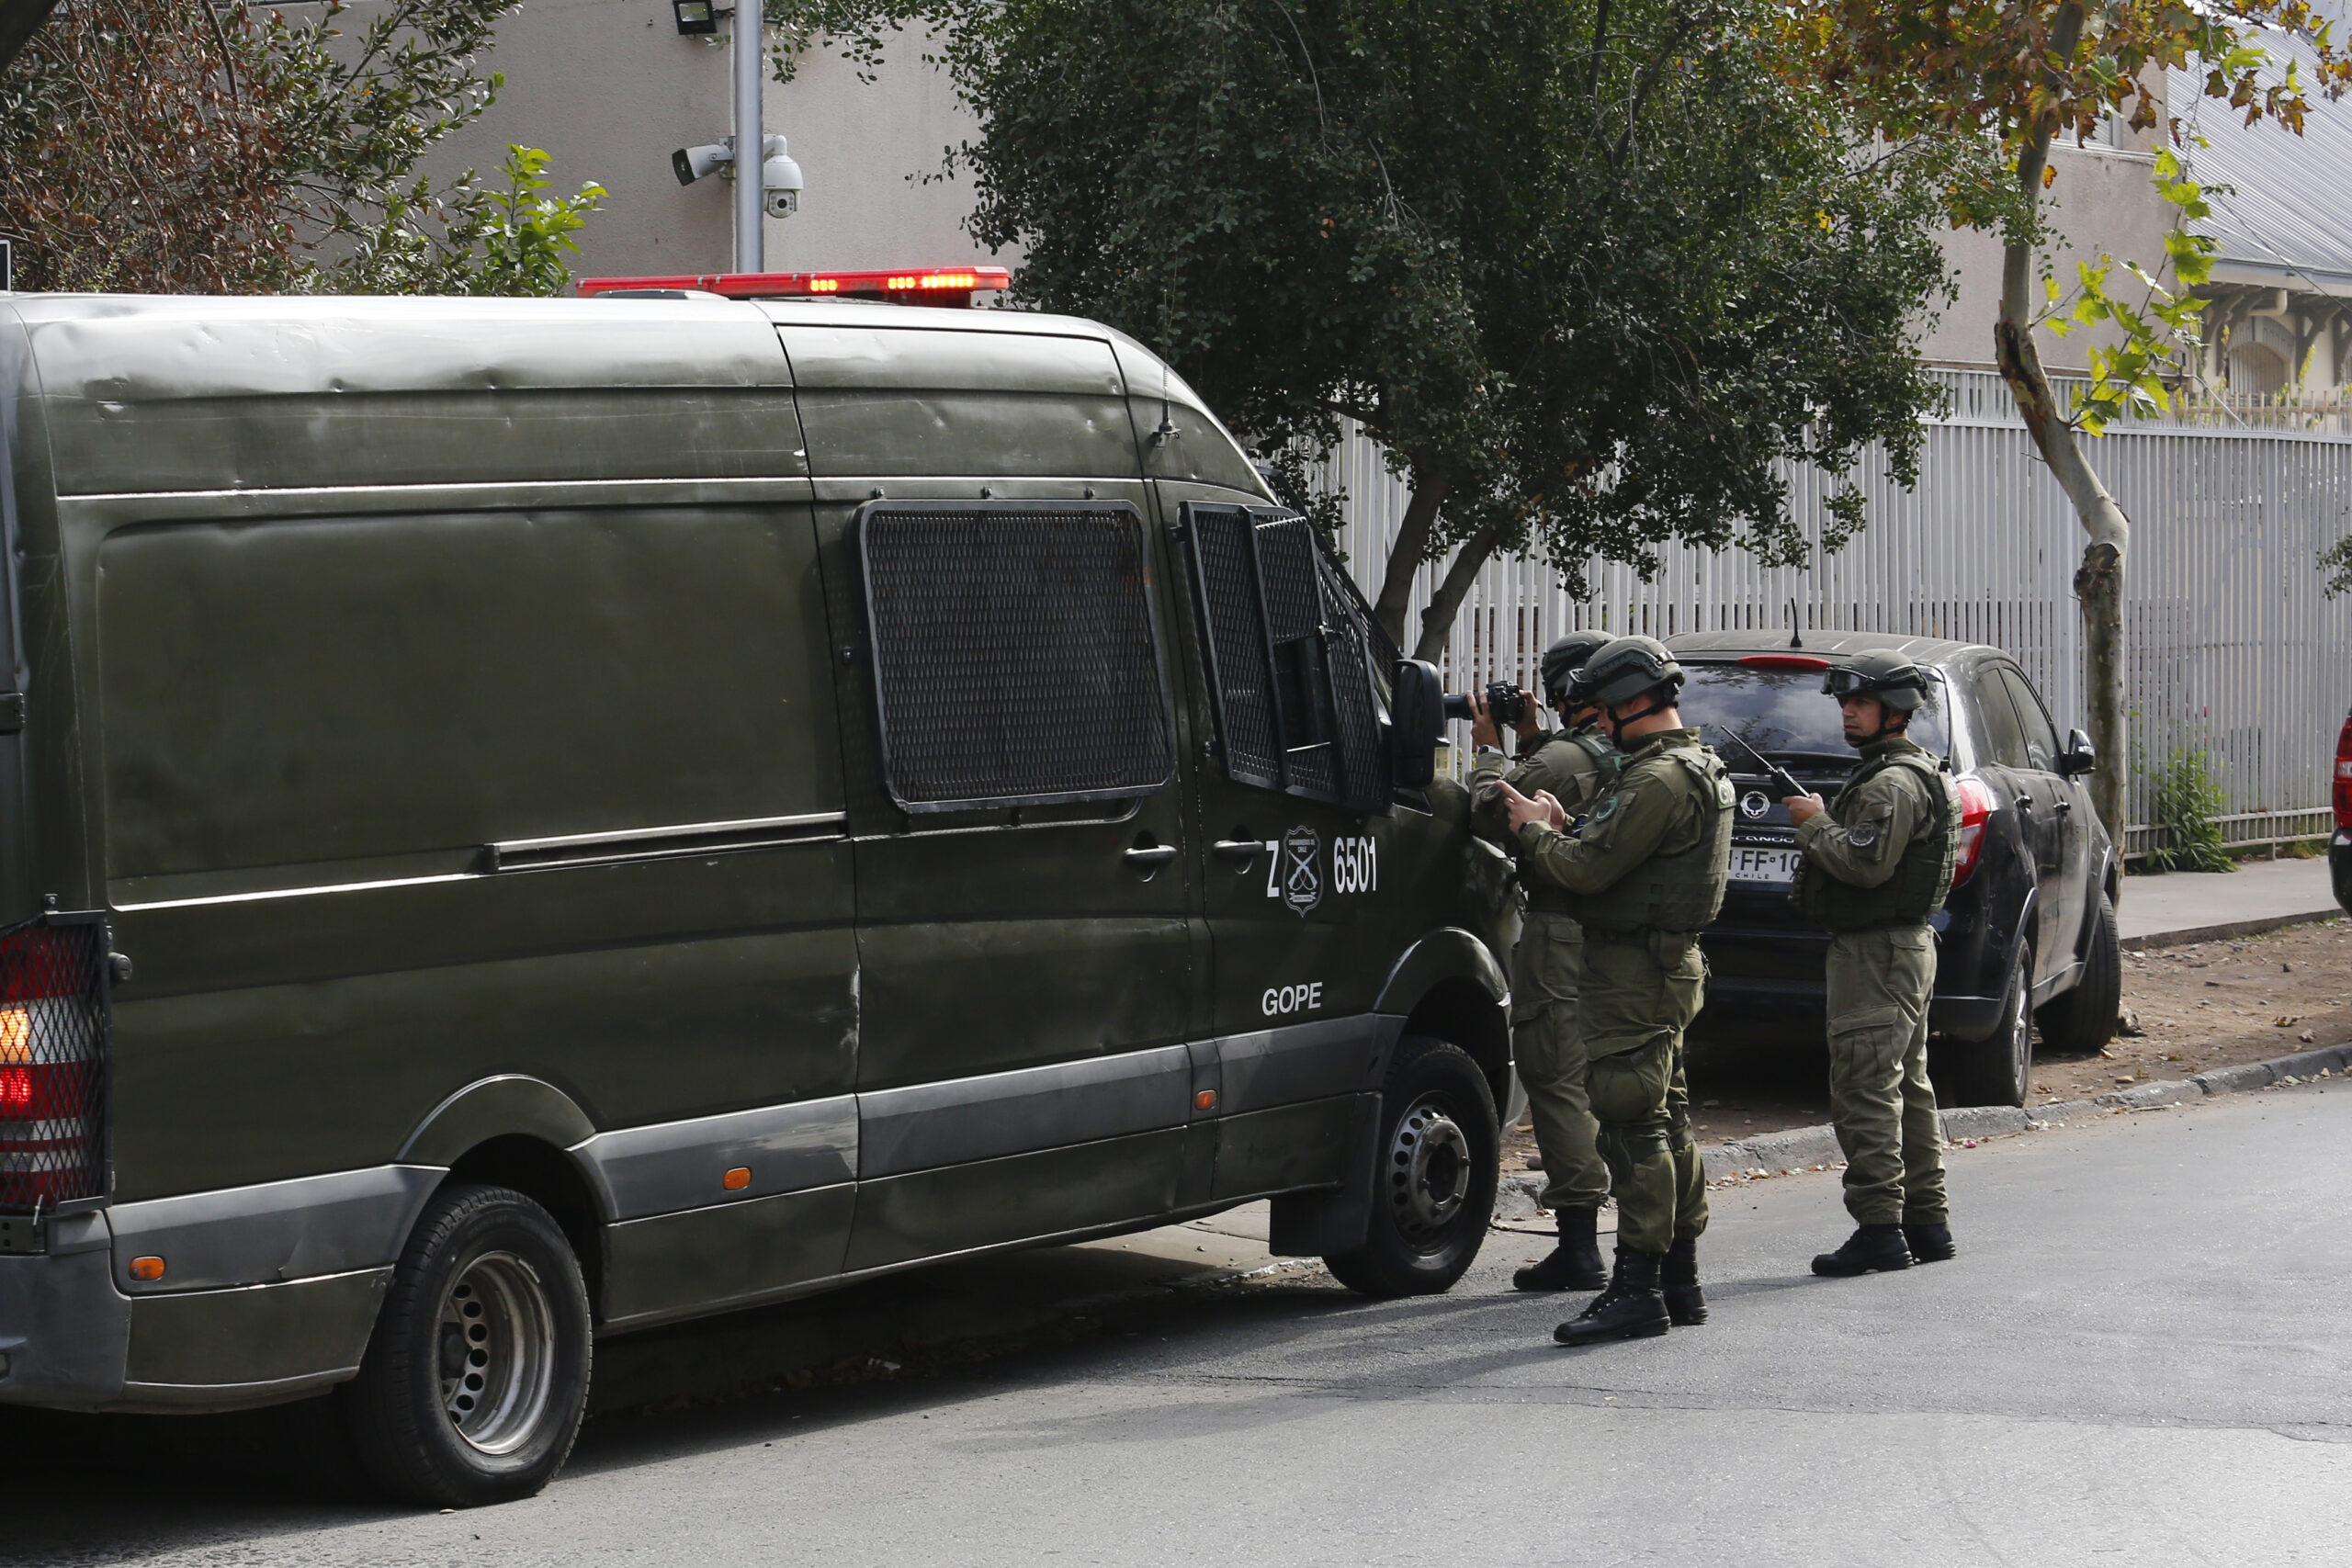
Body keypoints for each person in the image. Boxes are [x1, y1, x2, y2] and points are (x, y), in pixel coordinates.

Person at [1495, 636, 1732, 1345]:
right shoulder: (1689, 766)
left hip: (1633, 975)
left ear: (1633, 700)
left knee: (1633, 1126)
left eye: (1603, 709)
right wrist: (1567, 828)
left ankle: (1638, 1288)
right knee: (1668, 1120)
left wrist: (1536, 835)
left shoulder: (1658, 778)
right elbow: (1624, 855)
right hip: (1661, 966)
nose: (1597, 722)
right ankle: (1679, 1280)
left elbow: (1588, 872)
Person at [1782, 649, 1962, 1277]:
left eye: (1860, 702)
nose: (1847, 713)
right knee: (1906, 1086)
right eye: (1845, 702)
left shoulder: (1891, 782)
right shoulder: (1909, 772)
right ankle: (1926, 1222)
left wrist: (1813, 824)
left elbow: (1865, 864)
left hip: (1877, 952)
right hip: (1899, 949)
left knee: (1865, 1087)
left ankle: (1881, 1228)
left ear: (1894, 710)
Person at [1466, 632, 1617, 1292]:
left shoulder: (1560, 758)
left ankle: (1579, 1245)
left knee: (1557, 1080)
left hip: (1562, 934)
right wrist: (1530, 737)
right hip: (1617, 937)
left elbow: (1488, 812)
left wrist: (1489, 752)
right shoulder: (1630, 752)